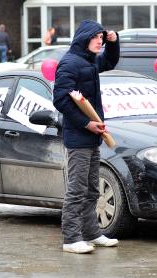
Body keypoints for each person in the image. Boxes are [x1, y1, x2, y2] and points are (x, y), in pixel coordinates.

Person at [53, 20, 120, 254]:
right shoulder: (70, 64)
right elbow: (60, 100)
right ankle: (71, 239)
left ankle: (92, 233)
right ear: (84, 38)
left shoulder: (88, 62)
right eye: (97, 38)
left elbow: (109, 61)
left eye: (102, 38)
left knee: (92, 189)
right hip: (78, 138)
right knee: (77, 189)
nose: (100, 41)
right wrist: (86, 123)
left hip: (92, 137)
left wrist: (114, 42)